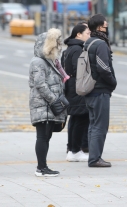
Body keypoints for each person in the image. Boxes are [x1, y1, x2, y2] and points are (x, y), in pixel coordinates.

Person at [29, 28, 68, 177]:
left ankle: (43, 166)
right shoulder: (38, 62)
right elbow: (40, 84)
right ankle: (41, 168)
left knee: (46, 136)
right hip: (43, 106)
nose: (59, 46)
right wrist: (54, 100)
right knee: (43, 136)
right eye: (56, 43)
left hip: (47, 106)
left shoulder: (50, 61)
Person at [85, 14, 117, 167]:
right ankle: (95, 158)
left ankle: (93, 156)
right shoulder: (101, 44)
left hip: (90, 89)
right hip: (100, 90)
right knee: (100, 125)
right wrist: (113, 82)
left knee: (93, 124)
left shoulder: (89, 42)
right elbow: (103, 68)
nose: (107, 29)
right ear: (99, 27)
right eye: (105, 26)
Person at [62, 23, 91, 162]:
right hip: (77, 89)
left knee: (74, 119)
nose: (89, 36)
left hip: (71, 87)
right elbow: (79, 70)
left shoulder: (69, 49)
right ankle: (75, 150)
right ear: (78, 34)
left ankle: (72, 149)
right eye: (87, 33)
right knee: (81, 119)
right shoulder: (78, 49)